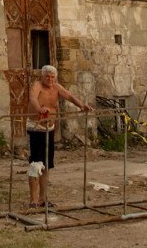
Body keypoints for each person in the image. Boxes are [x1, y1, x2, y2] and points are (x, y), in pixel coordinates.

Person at [26, 64, 92, 209]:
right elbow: (32, 98)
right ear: (42, 76)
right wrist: (39, 109)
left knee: (47, 165)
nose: (50, 79)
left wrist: (81, 105)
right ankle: (33, 200)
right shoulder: (37, 85)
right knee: (36, 164)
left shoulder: (56, 86)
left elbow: (69, 96)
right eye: (47, 76)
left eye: (52, 77)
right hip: (36, 127)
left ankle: (43, 199)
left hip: (50, 128)